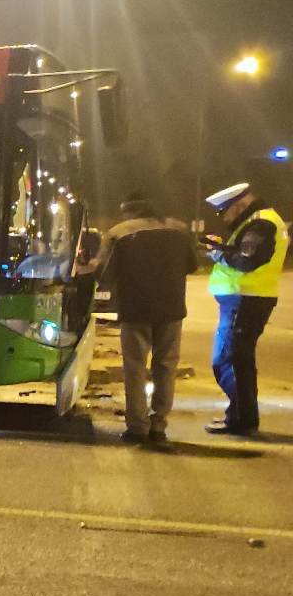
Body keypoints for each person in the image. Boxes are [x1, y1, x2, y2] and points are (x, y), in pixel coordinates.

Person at [99, 190, 196, 445]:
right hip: (172, 310)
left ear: (129, 210)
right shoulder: (179, 230)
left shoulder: (119, 233)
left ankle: (137, 427)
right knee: (166, 366)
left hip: (135, 309)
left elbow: (105, 274)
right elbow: (192, 265)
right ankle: (158, 425)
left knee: (135, 367)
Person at [203, 181, 288, 436]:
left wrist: (219, 254)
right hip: (246, 299)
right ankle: (239, 415)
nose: (222, 217)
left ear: (239, 205)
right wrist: (221, 248)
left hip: (245, 300)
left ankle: (243, 419)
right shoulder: (258, 221)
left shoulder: (261, 223)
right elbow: (244, 253)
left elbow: (247, 261)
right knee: (237, 360)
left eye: (223, 212)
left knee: (228, 360)